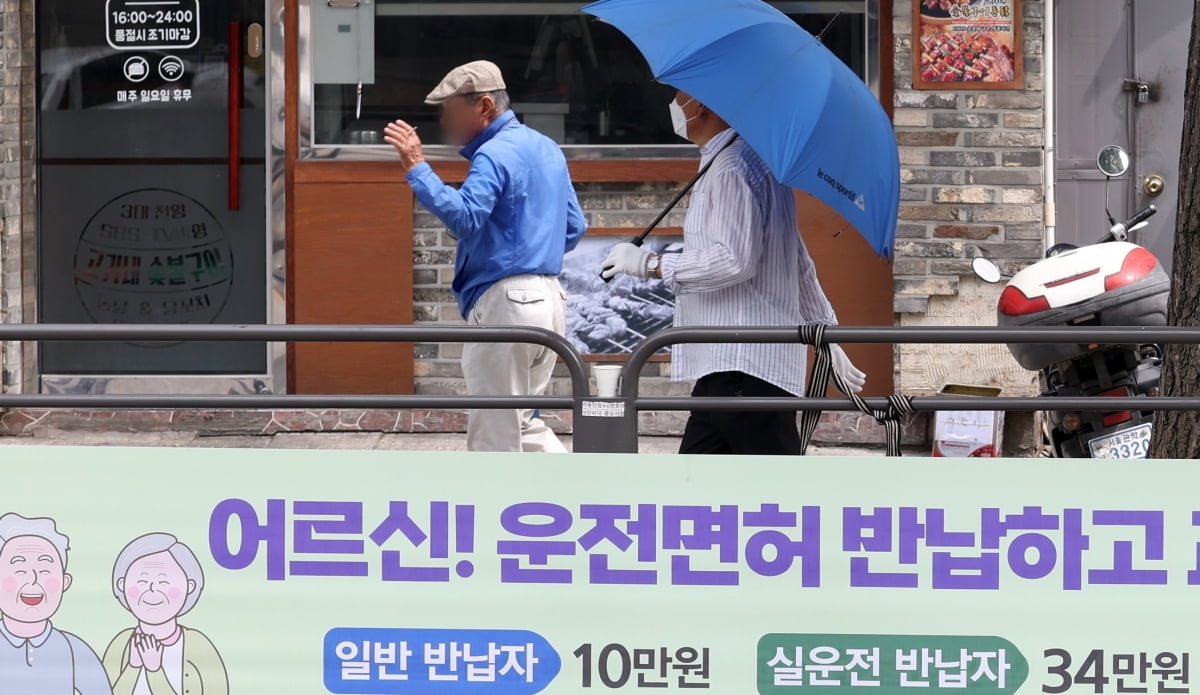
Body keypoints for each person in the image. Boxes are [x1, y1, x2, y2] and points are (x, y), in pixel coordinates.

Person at [600, 91, 866, 455]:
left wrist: (651, 265)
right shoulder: (743, 163)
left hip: (745, 366)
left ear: (701, 105)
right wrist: (824, 330)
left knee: (772, 496)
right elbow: (797, 261)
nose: (675, 106)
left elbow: (733, 261)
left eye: (680, 97)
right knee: (697, 485)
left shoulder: (732, 169)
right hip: (730, 368)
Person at [384, 60, 587, 453]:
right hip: (550, 300)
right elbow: (573, 227)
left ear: (485, 107)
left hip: (507, 302)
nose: (445, 120)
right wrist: (527, 250)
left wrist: (416, 166)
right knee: (522, 422)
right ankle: (571, 499)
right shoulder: (546, 147)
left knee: (496, 428)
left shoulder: (493, 154)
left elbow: (464, 217)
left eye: (451, 109)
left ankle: (494, 510)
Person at [0, 513, 112, 694]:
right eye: (19, 570)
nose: (33, 579)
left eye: (45, 571)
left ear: (65, 582)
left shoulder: (73, 649)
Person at [103, 533, 227, 695]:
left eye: (164, 582)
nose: (152, 589)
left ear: (189, 586)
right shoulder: (121, 644)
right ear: (122, 584)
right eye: (142, 581)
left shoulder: (199, 646)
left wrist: (154, 670)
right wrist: (132, 667)